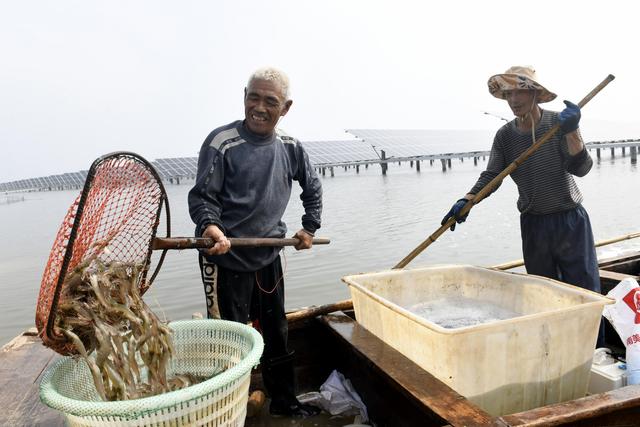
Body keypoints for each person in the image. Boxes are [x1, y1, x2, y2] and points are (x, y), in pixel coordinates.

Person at [188, 67, 323, 417]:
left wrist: (309, 227)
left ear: (286, 107)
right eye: (253, 97)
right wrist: (210, 227)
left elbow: (313, 187)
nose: (259, 107)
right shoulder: (222, 142)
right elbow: (203, 197)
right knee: (229, 342)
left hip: (269, 257)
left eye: (270, 101)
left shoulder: (291, 147)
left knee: (277, 333)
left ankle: (284, 403)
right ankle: (229, 412)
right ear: (244, 96)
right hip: (224, 258)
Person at [441, 65, 604, 346]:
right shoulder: (505, 136)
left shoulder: (558, 123)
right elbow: (493, 175)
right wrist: (468, 200)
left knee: (585, 291)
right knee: (541, 293)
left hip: (570, 221)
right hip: (534, 223)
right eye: (507, 95)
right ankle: (552, 350)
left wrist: (572, 130)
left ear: (535, 94)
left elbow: (582, 168)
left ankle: (595, 351)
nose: (513, 101)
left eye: (519, 92)